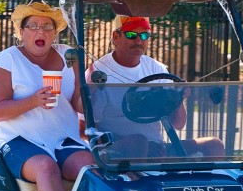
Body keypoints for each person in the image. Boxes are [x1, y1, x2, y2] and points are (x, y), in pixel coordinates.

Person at [0, 1, 95, 191]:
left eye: (47, 26)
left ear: (54, 33)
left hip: (63, 138)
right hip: (17, 139)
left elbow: (76, 102)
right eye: (33, 26)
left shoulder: (69, 56)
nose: (40, 31)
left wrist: (95, 99)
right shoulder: (7, 60)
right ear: (21, 32)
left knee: (91, 166)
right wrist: (34, 101)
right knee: (45, 167)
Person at [86, 15, 224, 157]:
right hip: (118, 151)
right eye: (131, 34)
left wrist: (179, 98)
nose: (139, 40)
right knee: (139, 143)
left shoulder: (157, 69)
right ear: (116, 37)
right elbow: (86, 130)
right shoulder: (98, 73)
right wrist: (137, 144)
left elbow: (178, 123)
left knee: (214, 145)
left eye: (144, 35)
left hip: (159, 148)